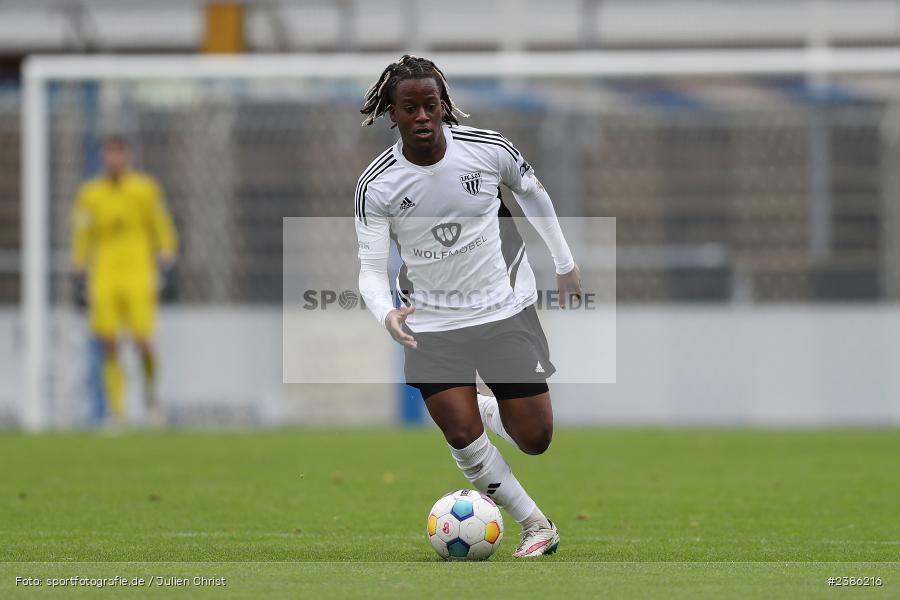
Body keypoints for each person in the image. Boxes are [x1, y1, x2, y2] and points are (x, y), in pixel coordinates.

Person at [355, 55, 582, 557]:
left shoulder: (488, 150)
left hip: (503, 309)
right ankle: (537, 525)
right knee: (461, 433)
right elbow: (370, 270)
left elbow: (534, 194)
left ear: (444, 107)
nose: (421, 116)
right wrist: (385, 313)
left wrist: (564, 263)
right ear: (391, 113)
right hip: (431, 321)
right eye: (409, 107)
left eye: (429, 105)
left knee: (535, 437)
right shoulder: (378, 185)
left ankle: (484, 405)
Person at [71, 136, 178, 427]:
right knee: (109, 343)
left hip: (138, 274)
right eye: (108, 155)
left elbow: (161, 225)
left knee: (143, 341)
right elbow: (82, 235)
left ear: (126, 157)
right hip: (104, 275)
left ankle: (151, 395)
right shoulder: (90, 194)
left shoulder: (144, 189)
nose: (113, 161)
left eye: (117, 155)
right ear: (102, 159)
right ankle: (117, 412)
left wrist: (167, 257)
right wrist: (79, 271)